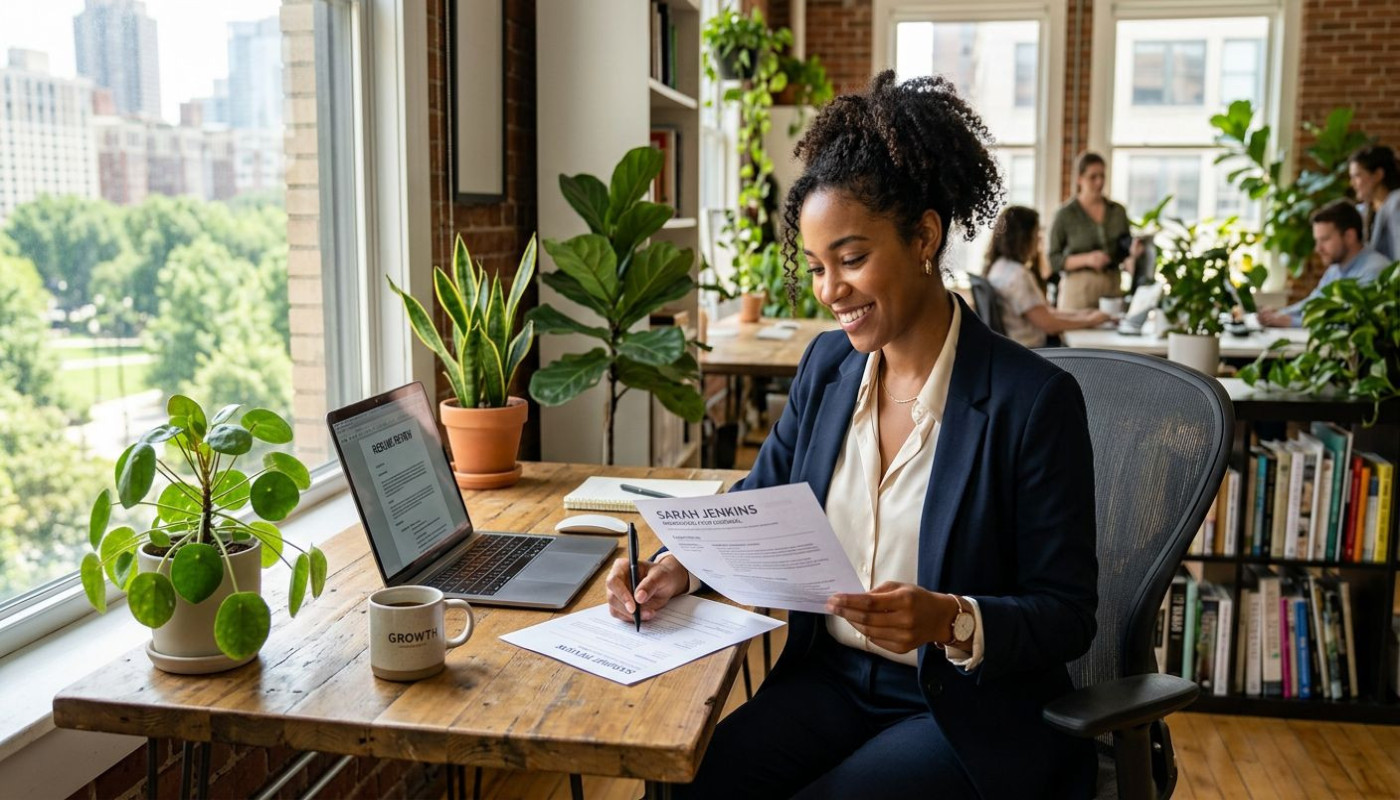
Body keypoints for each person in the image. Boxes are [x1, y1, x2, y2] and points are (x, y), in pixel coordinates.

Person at [605, 71, 1099, 799]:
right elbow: (761, 498)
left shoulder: (1034, 400)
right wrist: (678, 565)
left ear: (924, 236)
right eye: (815, 267)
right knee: (687, 782)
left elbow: (1066, 615)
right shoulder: (829, 367)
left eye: (852, 258)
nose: (829, 289)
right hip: (832, 681)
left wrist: (950, 619)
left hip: (961, 710)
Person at [985, 205, 1111, 348]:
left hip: (1020, 349)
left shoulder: (999, 267)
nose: (1039, 242)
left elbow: (1045, 314)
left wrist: (1084, 314)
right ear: (1023, 238)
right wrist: (1090, 321)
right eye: (1037, 235)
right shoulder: (1018, 275)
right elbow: (1048, 324)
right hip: (1034, 351)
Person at [1257, 199, 1391, 327]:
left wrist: (1291, 322)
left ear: (1349, 236)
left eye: (1325, 240)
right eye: (1317, 241)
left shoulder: (1375, 270)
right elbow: (1314, 302)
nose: (1318, 249)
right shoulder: (1336, 268)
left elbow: (1350, 321)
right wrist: (1279, 314)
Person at [1047, 152, 1142, 310]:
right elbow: (1054, 260)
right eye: (1093, 177)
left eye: (1102, 176)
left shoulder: (1118, 211)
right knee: (1076, 334)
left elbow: (1124, 248)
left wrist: (1133, 252)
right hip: (1078, 289)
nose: (1099, 182)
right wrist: (1087, 259)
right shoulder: (1064, 214)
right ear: (1079, 178)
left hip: (1112, 287)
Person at [1348, 144, 1400, 260]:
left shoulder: (1396, 203)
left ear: (1378, 175)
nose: (1352, 184)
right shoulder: (1366, 210)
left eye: (1357, 176)